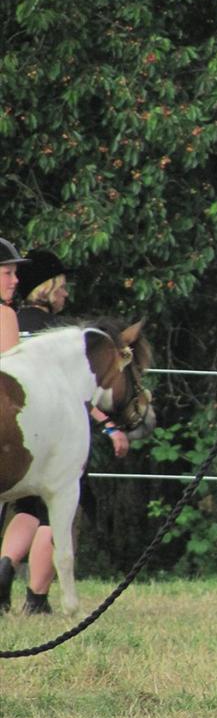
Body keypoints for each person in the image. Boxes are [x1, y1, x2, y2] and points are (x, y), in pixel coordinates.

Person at [0, 248, 129, 615]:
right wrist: (107, 426)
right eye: (7, 274)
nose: (14, 281)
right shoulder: (53, 334)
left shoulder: (17, 316)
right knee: (52, 508)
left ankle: (5, 564)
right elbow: (43, 390)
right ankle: (38, 597)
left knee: (22, 505)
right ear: (50, 286)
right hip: (43, 432)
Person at [0, 237, 25, 352]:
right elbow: (11, 368)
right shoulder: (4, 315)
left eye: (15, 273)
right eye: (8, 273)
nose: (15, 280)